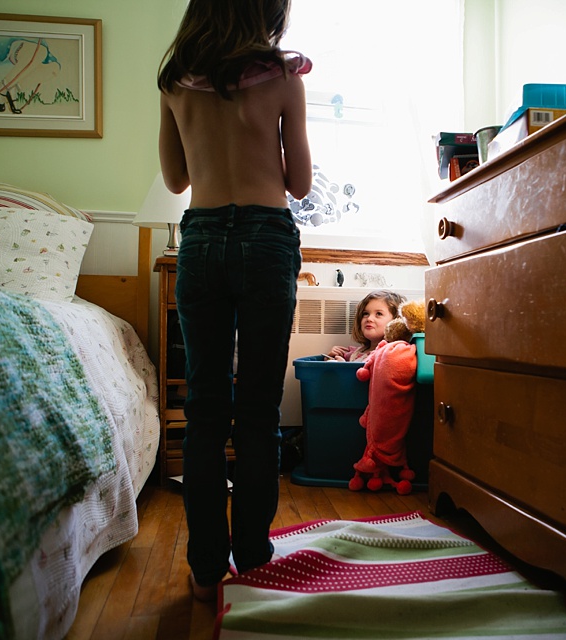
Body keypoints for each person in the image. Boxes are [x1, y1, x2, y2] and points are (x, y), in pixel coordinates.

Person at [156, 0, 312, 601]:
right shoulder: (283, 78)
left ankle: (203, 569)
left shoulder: (173, 80)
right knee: (258, 411)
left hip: (201, 239)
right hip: (266, 239)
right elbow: (298, 183)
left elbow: (175, 179)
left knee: (205, 410)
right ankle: (251, 558)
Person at [327, 290, 406, 362]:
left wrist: (343, 366)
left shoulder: (389, 353)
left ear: (395, 321)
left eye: (379, 314)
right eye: (366, 314)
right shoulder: (354, 352)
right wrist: (332, 357)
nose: (369, 318)